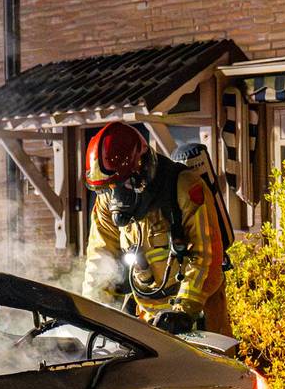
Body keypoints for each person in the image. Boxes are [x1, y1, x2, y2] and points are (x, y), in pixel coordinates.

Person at [81, 121, 231, 336]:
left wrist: (184, 310)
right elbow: (99, 260)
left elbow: (205, 254)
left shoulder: (185, 186)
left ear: (141, 168)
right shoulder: (106, 201)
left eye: (121, 185)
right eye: (106, 189)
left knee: (210, 369)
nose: (115, 197)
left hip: (200, 314)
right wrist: (89, 316)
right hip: (148, 318)